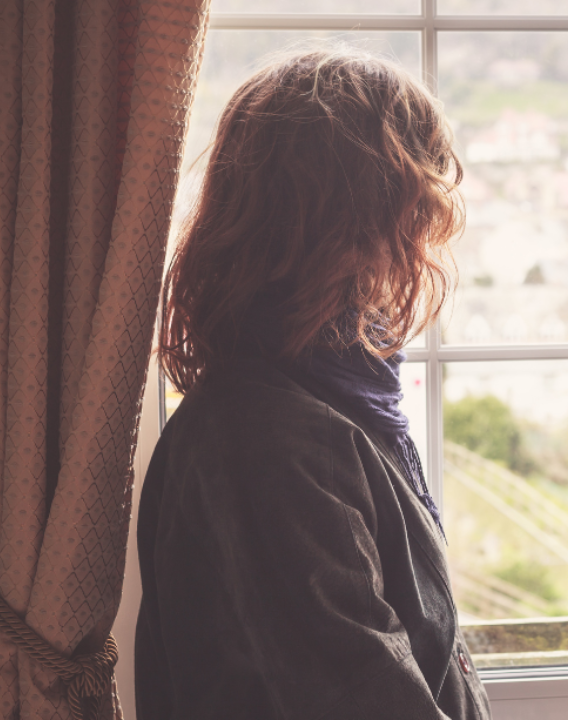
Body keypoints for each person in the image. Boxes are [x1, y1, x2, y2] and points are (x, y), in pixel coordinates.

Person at [134, 48, 489, 720]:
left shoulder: (328, 406)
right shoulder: (269, 443)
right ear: (351, 223)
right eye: (414, 203)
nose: (424, 232)